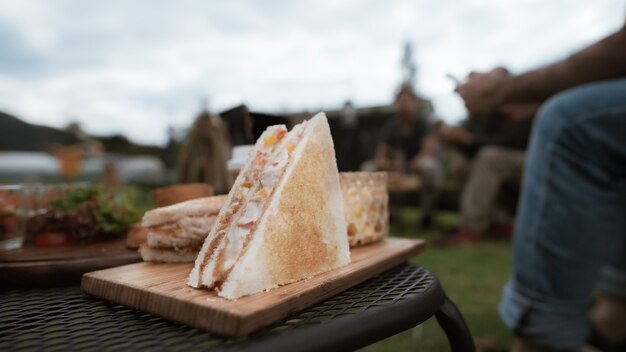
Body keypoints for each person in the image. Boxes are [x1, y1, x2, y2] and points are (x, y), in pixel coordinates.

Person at [455, 19, 626, 351]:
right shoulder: (501, 118)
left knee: (568, 123)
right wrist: (460, 140)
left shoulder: (529, 111)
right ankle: (616, 316)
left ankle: (540, 340)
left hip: (522, 160)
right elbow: (480, 144)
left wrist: (506, 90)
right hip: (512, 164)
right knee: (476, 162)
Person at [437, 103, 537, 244]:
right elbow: (479, 147)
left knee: (490, 158)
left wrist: (470, 140)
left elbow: (514, 141)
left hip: (535, 159)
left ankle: (468, 230)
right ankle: (500, 223)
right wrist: (459, 143)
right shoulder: (490, 116)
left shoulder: (521, 103)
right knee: (462, 167)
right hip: (503, 160)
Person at [375, 86, 440, 227]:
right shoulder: (391, 126)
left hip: (417, 166)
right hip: (398, 168)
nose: (403, 105)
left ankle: (426, 216)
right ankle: (381, 214)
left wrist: (407, 166)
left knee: (429, 166)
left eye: (407, 101)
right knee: (368, 168)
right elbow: (382, 153)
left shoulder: (423, 123)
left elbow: (429, 150)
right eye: (400, 101)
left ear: (414, 103)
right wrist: (385, 163)